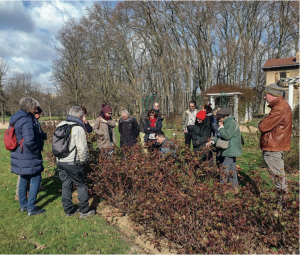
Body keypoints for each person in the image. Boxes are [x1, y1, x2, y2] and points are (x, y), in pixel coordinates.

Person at [56, 106, 95, 217]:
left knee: (66, 185)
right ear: (79, 116)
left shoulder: (60, 126)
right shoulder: (78, 128)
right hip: (73, 162)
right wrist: (83, 161)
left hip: (60, 161)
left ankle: (69, 210)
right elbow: (82, 148)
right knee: (81, 185)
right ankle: (84, 211)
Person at [10, 97, 45, 216]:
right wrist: (37, 151)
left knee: (24, 178)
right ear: (30, 107)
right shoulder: (27, 120)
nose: (36, 109)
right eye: (34, 106)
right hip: (28, 154)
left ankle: (23, 205)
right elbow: (29, 140)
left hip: (20, 153)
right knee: (36, 178)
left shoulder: (17, 118)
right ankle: (31, 208)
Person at [258, 83, 292, 206]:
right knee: (278, 176)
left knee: (278, 177)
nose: (264, 97)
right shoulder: (280, 106)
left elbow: (263, 126)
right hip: (275, 145)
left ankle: (283, 206)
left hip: (273, 147)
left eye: (266, 95)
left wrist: (262, 121)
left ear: (273, 95)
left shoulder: (279, 108)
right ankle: (283, 203)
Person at [206, 109, 242, 193]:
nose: (218, 119)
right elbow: (220, 136)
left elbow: (226, 136)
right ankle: (235, 188)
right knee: (232, 170)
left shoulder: (232, 123)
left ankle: (222, 190)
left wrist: (221, 127)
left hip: (230, 149)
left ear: (224, 117)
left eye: (219, 118)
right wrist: (212, 141)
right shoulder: (225, 123)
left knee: (224, 169)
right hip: (228, 149)